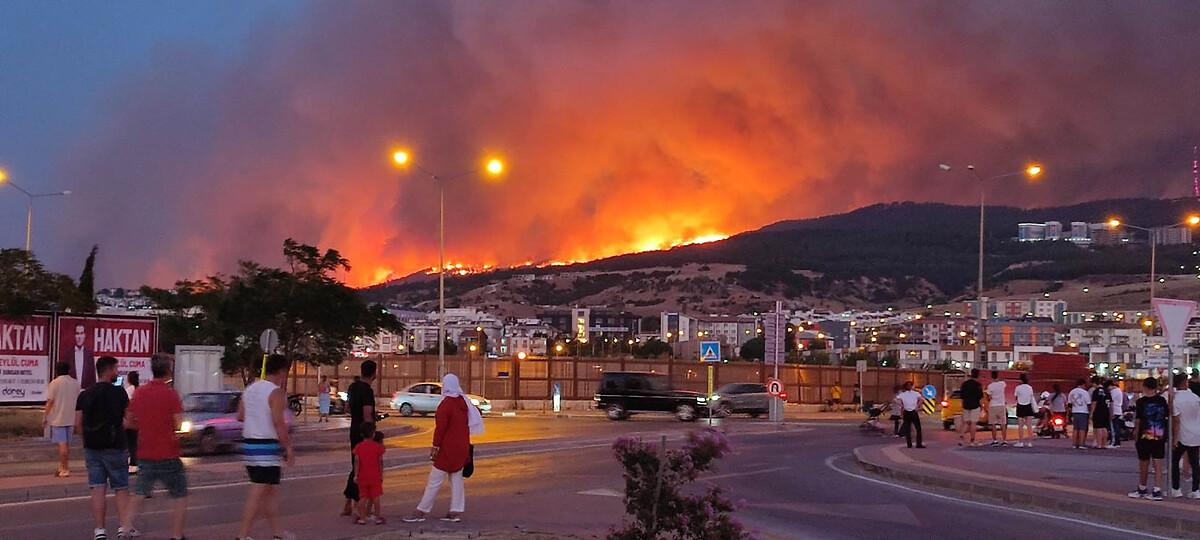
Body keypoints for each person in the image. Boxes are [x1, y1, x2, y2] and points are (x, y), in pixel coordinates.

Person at [404, 373, 484, 522]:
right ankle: (455, 511)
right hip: (462, 447)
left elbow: (440, 429)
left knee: (434, 480)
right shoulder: (463, 402)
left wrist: (435, 446)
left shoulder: (446, 404)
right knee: (456, 479)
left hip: (448, 448)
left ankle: (421, 511)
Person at [125, 354, 188, 540]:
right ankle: (176, 535)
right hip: (168, 452)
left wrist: (144, 425)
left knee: (139, 494)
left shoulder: (140, 392)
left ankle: (125, 529)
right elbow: (178, 424)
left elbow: (129, 420)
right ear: (168, 371)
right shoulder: (171, 394)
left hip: (145, 452)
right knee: (179, 495)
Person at [235, 355, 295, 540]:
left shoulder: (250, 389)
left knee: (270, 492)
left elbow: (240, 416)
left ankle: (278, 533)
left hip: (249, 445)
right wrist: (288, 447)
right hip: (266, 447)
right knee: (258, 492)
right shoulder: (276, 393)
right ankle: (242, 535)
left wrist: (257, 417)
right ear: (282, 372)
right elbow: (278, 422)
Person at [75, 356, 133, 540]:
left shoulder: (85, 394)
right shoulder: (119, 392)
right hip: (115, 447)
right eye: (116, 369)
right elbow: (129, 420)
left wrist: (88, 439)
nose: (117, 372)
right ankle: (124, 528)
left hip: (92, 448)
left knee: (97, 489)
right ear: (108, 370)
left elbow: (78, 424)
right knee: (121, 488)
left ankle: (99, 530)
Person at [343, 361, 377, 517]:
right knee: (362, 468)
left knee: (355, 465)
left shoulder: (353, 387)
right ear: (374, 373)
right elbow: (367, 414)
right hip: (364, 433)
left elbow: (347, 408)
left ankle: (347, 503)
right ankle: (358, 505)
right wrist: (370, 434)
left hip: (353, 429)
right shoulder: (367, 391)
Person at [1129, 377, 1168, 501]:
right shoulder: (1162, 400)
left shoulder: (1141, 402)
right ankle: (1157, 490)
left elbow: (1138, 420)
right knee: (1158, 463)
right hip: (1159, 435)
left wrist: (1135, 435)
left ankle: (1142, 488)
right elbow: (1167, 415)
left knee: (1144, 463)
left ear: (1145, 387)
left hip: (1144, 436)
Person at [44, 361, 80, 477]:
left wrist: (45, 416)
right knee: (67, 445)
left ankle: (64, 469)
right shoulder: (75, 383)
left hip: (58, 418)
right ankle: (63, 466)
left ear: (56, 371)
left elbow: (50, 401)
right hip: (71, 417)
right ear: (69, 370)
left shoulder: (54, 383)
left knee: (62, 445)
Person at [1171, 373, 1200, 498]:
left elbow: (1176, 421)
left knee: (1175, 461)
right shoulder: (1195, 397)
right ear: (1185, 383)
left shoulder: (1176, 400)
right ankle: (1195, 490)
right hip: (1196, 433)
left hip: (1182, 434)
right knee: (1195, 462)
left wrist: (1175, 438)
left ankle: (1176, 488)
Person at [352, 422, 386, 525]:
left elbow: (356, 462)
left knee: (363, 497)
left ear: (362, 434)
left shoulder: (359, 447)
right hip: (375, 475)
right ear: (373, 433)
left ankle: (362, 518)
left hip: (362, 476)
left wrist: (356, 475)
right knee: (376, 497)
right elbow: (380, 462)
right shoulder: (378, 447)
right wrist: (381, 474)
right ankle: (377, 517)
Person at [958, 369, 984, 447]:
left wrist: (963, 404)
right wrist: (982, 407)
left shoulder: (964, 384)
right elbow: (980, 397)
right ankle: (972, 440)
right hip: (975, 405)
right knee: (973, 423)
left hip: (966, 405)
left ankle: (962, 436)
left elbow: (962, 396)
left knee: (966, 422)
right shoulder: (978, 385)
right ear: (978, 375)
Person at [897, 381, 924, 449]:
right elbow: (921, 400)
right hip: (914, 412)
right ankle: (918, 444)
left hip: (906, 412)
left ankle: (909, 444)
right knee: (918, 428)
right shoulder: (916, 393)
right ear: (912, 386)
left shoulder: (902, 394)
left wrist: (902, 405)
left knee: (907, 429)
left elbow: (896, 400)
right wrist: (917, 406)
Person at [69, 323, 97, 389]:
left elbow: (92, 378)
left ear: (84, 335)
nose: (79, 337)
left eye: (81, 333)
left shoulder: (89, 355)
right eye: (77, 333)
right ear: (74, 336)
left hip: (86, 392)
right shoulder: (68, 355)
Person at [123, 371, 140, 475]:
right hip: (139, 420)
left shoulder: (129, 390)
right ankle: (135, 462)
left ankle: (132, 463)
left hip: (130, 420)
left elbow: (127, 405)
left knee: (130, 443)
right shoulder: (139, 389)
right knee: (135, 442)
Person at [1068, 378, 1092, 450]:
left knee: (1075, 429)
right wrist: (1090, 412)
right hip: (1083, 412)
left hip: (1074, 412)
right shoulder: (1085, 392)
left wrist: (1070, 413)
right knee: (1082, 429)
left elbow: (1069, 404)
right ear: (1083, 384)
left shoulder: (1072, 392)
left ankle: (1074, 444)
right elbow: (1088, 403)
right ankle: (1081, 444)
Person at [985, 371, 1007, 447]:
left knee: (993, 424)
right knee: (1003, 424)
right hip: (1001, 405)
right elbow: (1003, 381)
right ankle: (1004, 440)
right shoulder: (1002, 384)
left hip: (993, 405)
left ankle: (995, 440)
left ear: (991, 377)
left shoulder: (990, 386)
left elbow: (989, 397)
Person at [1013, 374, 1035, 448]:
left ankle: (1021, 442)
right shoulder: (1030, 387)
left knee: (1020, 426)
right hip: (1028, 406)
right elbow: (1031, 397)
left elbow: (1016, 397)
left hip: (1020, 406)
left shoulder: (1018, 387)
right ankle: (1030, 442)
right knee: (1029, 426)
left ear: (1020, 380)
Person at [1090, 376, 1111, 449]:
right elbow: (1110, 402)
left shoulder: (1096, 391)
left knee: (1098, 427)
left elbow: (1094, 403)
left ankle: (1099, 444)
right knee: (1104, 428)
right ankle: (1104, 444)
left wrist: (1091, 413)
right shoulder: (1107, 391)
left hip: (1098, 411)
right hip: (1106, 411)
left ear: (1094, 383)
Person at [1110, 380, 1125, 447]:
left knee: (1113, 427)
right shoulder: (1119, 391)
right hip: (1118, 410)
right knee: (1117, 427)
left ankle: (1114, 442)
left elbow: (1111, 400)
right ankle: (1117, 442)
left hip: (1114, 410)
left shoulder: (1114, 391)